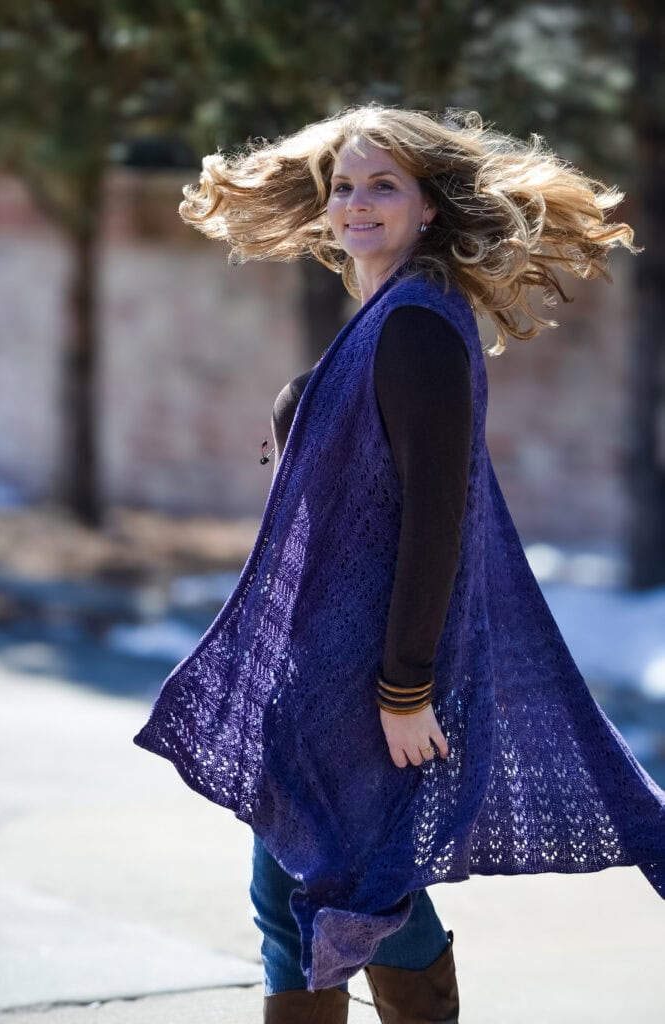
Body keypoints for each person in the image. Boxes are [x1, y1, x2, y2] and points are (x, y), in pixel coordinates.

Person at [133, 104, 665, 1024]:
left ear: (428, 209)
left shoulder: (416, 325)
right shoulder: (385, 320)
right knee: (332, 886)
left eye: (384, 185)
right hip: (323, 670)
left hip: (363, 677)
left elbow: (437, 517)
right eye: (344, 186)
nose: (356, 203)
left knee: (319, 889)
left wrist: (403, 687)